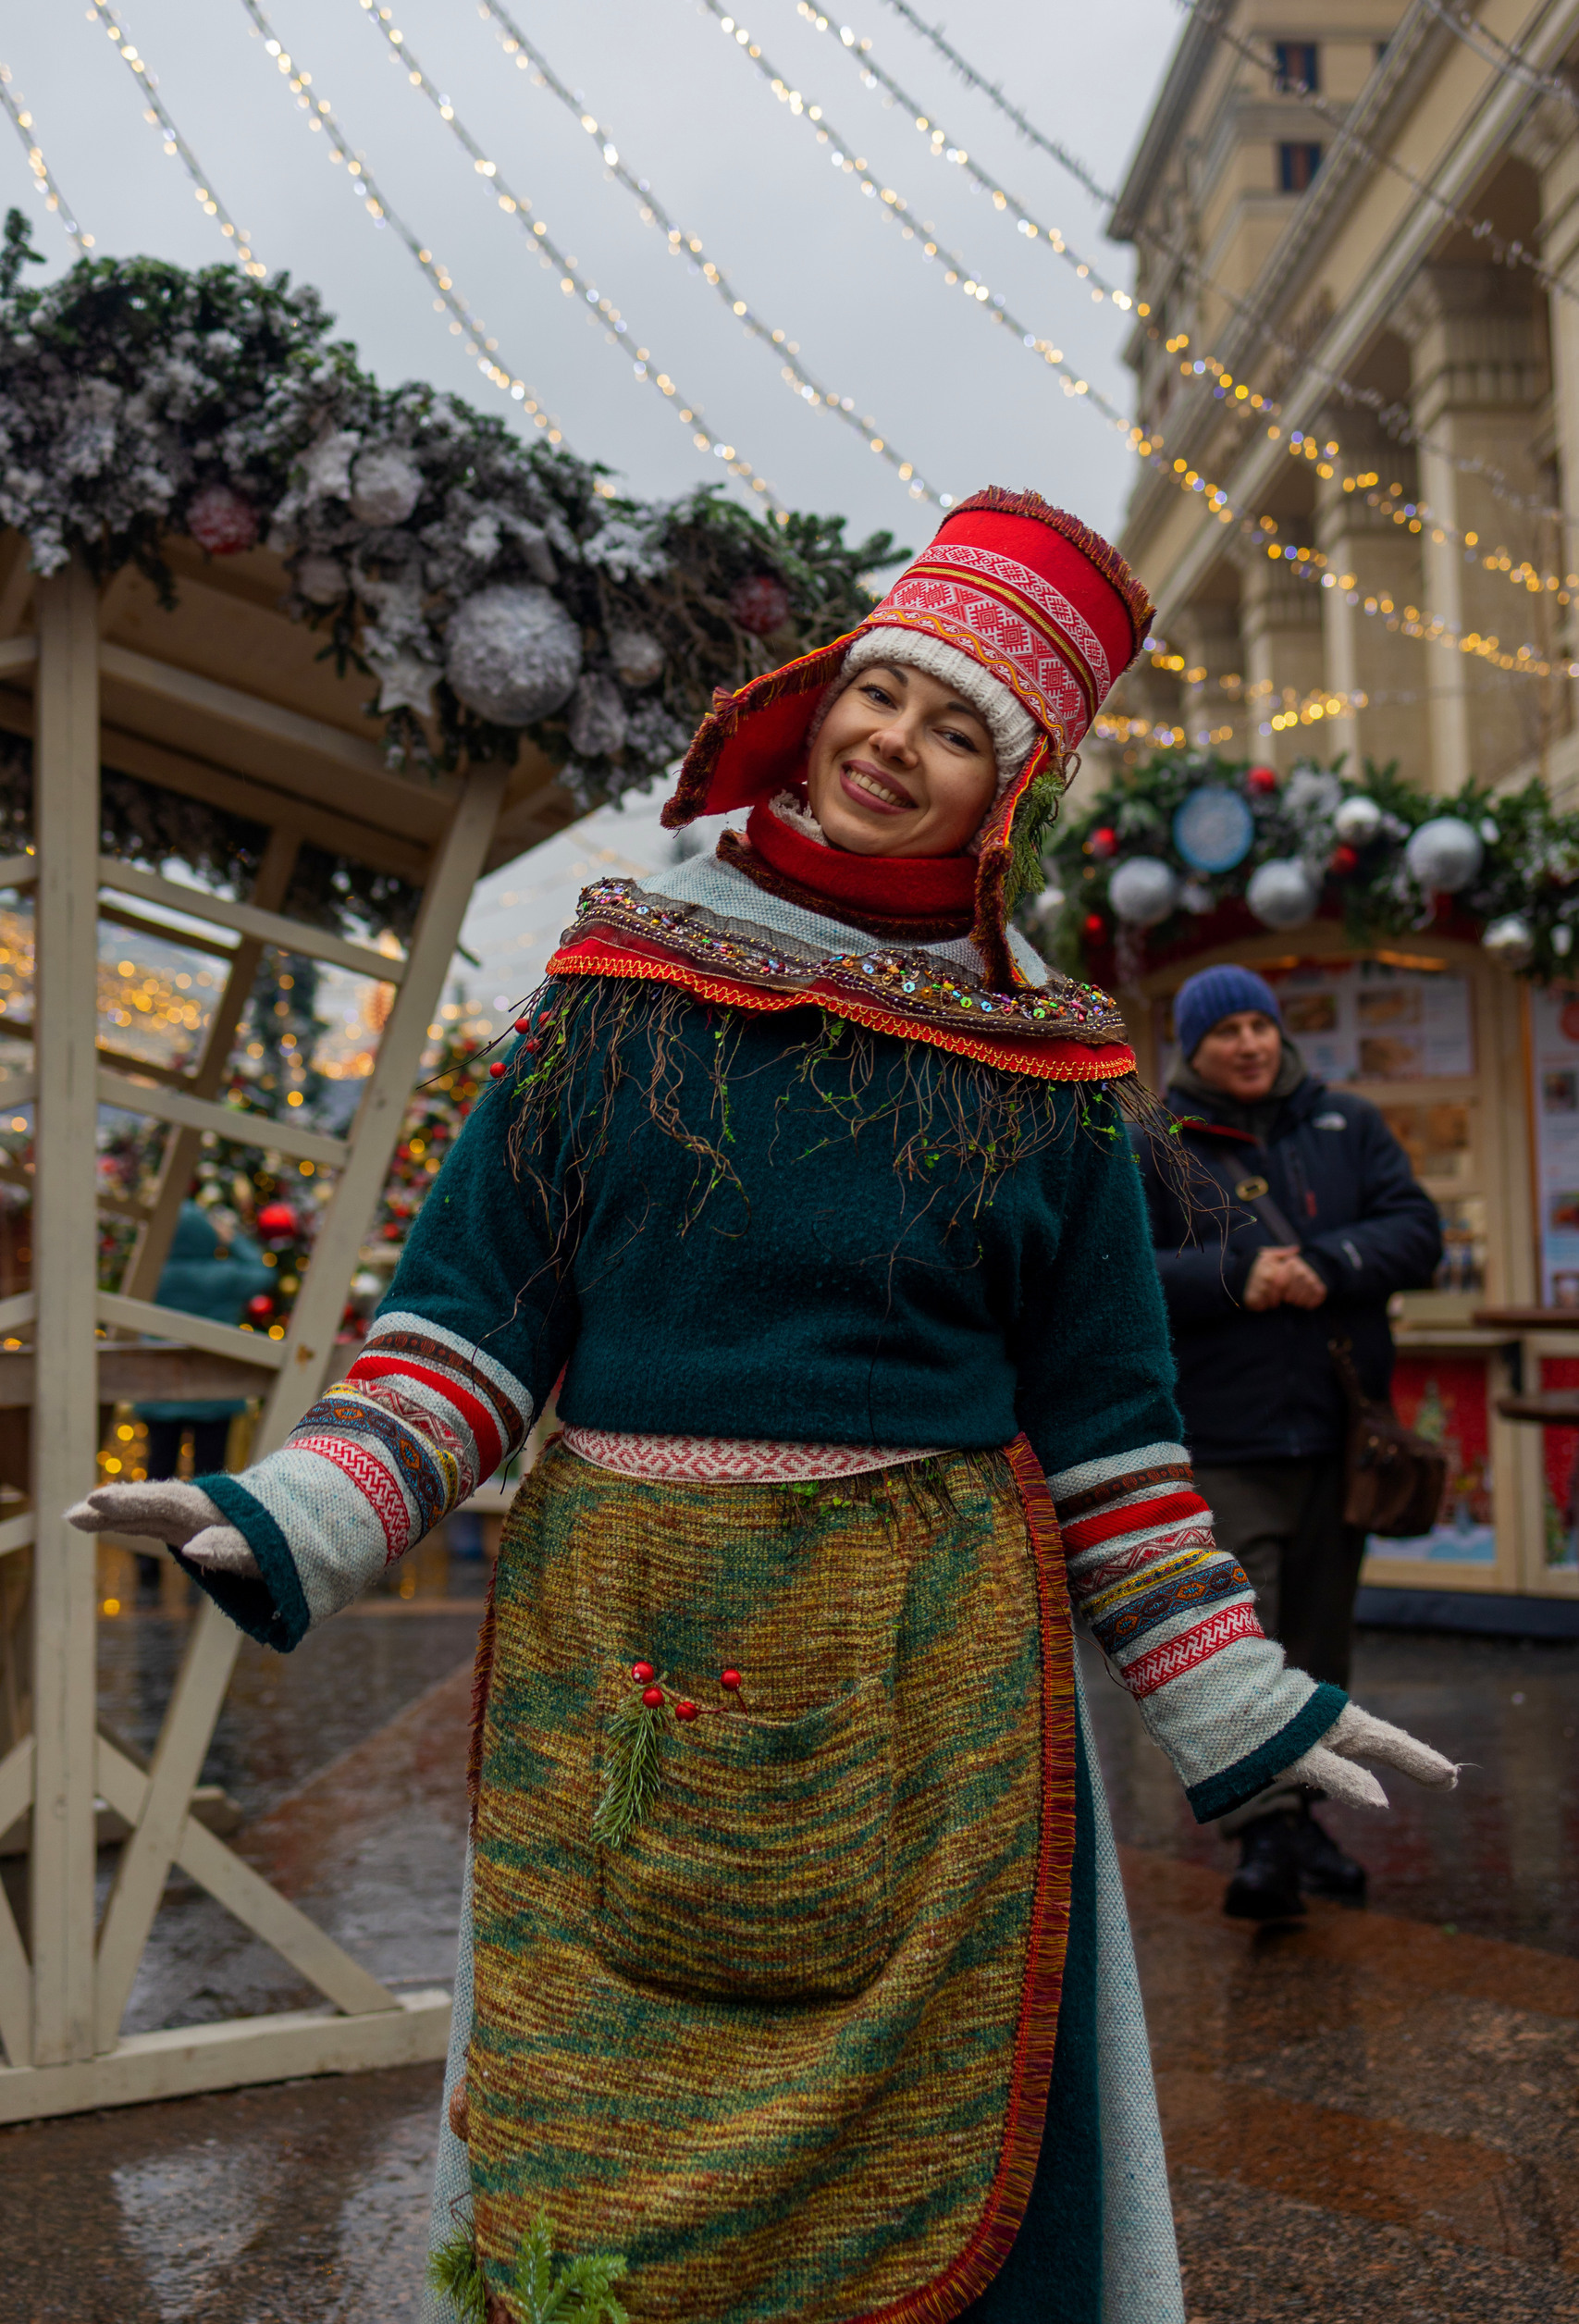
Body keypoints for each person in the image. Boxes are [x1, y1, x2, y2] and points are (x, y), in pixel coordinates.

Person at [70, 493, 1456, 2324]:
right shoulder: (609, 992)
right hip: (612, 1634)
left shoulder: (1047, 1072)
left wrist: (1229, 1691)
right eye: (882, 691)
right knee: (596, 2124)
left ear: (1005, 788)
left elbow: (1113, 1428)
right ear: (817, 698)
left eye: (956, 726)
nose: (894, 741)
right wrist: (293, 1504)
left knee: (950, 2128)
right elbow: (467, 1324)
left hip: (935, 1668)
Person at [1136, 964, 1443, 1922]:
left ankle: (1304, 1818)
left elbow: (1417, 1232)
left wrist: (1327, 1262)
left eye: (1258, 1025)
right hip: (1222, 1440)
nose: (1247, 1044)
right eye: (1223, 1030)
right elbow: (1122, 1270)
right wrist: (1239, 1272)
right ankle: (1262, 1832)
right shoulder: (1155, 1146)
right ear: (1194, 1046)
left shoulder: (1348, 1123)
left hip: (1335, 1438)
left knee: (1316, 1642)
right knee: (1244, 1641)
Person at [132, 1202, 272, 1588]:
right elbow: (264, 1273)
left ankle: (148, 1562)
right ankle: (208, 1561)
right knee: (209, 1481)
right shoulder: (224, 1276)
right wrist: (233, 1238)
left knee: (157, 1476)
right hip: (217, 1394)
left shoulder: (151, 1276)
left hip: (160, 1393)